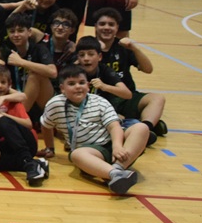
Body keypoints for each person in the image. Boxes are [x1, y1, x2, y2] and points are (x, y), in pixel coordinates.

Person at [40, 65, 148, 194]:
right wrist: (50, 148)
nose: (78, 86)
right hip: (91, 151)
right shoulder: (55, 104)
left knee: (141, 128)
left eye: (82, 82)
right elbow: (46, 125)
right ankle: (115, 174)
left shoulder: (99, 101)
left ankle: (117, 169)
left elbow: (114, 126)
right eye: (71, 84)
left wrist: (117, 147)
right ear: (62, 89)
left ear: (88, 85)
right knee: (76, 155)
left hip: (113, 147)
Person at [92, 8, 167, 137]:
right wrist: (97, 50)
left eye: (111, 24)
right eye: (102, 24)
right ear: (95, 26)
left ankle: (146, 129)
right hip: (101, 100)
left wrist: (134, 48)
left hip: (126, 97)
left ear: (117, 28)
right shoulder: (89, 46)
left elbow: (148, 69)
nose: (106, 27)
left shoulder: (123, 47)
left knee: (157, 98)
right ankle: (135, 125)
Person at [0, 64, 48, 186]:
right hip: (6, 145)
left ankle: (29, 163)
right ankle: (37, 164)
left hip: (26, 143)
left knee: (1, 120)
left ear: (9, 85)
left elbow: (28, 124)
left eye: (3, 82)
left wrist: (3, 116)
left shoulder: (13, 102)